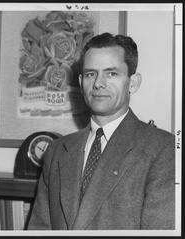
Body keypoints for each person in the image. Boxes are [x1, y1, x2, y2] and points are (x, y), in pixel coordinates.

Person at [27, 32, 175, 230]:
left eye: (111, 73)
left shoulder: (163, 149)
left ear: (133, 83)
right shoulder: (56, 151)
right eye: (90, 74)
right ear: (81, 83)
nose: (98, 83)